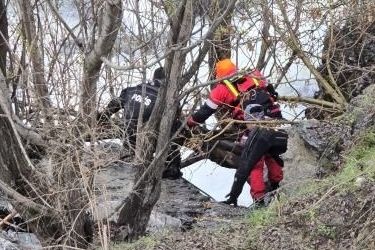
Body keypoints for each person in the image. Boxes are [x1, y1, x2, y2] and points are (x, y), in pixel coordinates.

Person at [186, 58, 286, 206]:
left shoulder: (221, 90)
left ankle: (259, 200)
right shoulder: (255, 74)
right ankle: (279, 186)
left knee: (254, 162)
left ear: (219, 76)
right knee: (273, 155)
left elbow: (203, 113)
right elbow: (271, 91)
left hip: (254, 126)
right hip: (275, 119)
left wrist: (188, 123)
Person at [100, 67, 183, 179]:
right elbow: (172, 120)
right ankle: (173, 167)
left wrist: (102, 118)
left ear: (153, 77)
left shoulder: (132, 90)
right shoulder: (168, 99)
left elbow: (114, 104)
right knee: (178, 126)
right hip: (147, 142)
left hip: (126, 138)